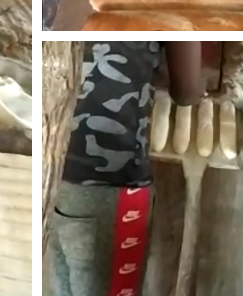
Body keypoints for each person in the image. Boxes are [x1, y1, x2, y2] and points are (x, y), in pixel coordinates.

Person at [48, 41, 205, 296]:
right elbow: (186, 92)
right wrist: (199, 88)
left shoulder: (58, 2)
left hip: (54, 174)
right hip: (115, 187)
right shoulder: (171, 7)